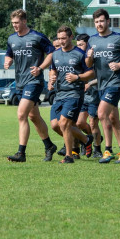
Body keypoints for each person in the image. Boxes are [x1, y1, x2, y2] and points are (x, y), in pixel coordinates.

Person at [86, 9, 120, 164]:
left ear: (108, 21)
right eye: (96, 22)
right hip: (101, 84)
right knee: (113, 118)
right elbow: (89, 65)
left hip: (116, 82)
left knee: (101, 113)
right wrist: (89, 57)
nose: (99, 24)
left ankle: (107, 150)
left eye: (101, 21)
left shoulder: (118, 38)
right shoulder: (92, 40)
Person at [4, 9, 57, 162]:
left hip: (34, 82)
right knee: (34, 116)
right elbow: (9, 53)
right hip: (19, 82)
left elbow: (52, 52)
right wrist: (8, 60)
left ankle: (21, 153)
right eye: (13, 23)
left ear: (24, 21)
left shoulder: (37, 37)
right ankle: (49, 145)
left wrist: (40, 68)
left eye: (17, 23)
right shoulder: (11, 39)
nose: (15, 25)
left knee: (21, 114)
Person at [48, 26, 95, 164]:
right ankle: (86, 140)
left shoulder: (80, 54)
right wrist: (52, 78)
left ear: (71, 37)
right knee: (55, 125)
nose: (61, 41)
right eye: (59, 38)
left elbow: (91, 73)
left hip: (74, 93)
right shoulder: (55, 54)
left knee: (64, 123)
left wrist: (77, 77)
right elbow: (53, 70)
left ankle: (69, 156)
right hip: (59, 93)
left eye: (64, 38)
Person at [76, 34, 101, 158]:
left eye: (81, 44)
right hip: (82, 95)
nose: (79, 47)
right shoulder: (78, 57)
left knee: (93, 123)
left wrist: (90, 83)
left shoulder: (93, 57)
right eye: (77, 45)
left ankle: (97, 149)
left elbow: (100, 75)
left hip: (95, 94)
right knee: (79, 123)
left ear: (88, 44)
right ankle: (89, 139)